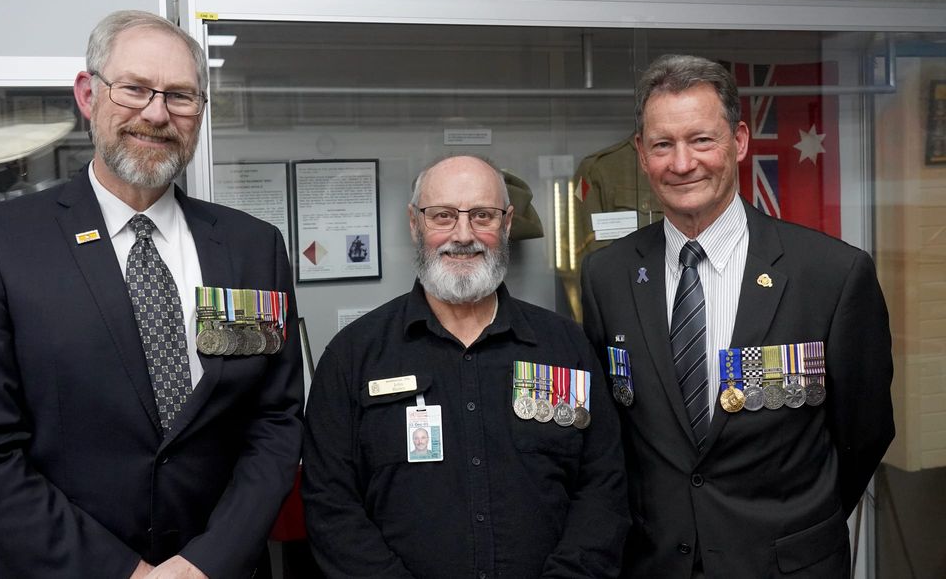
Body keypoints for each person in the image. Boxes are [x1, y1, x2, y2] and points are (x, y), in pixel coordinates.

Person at [0, 10, 304, 579]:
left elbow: (276, 422)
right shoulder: (0, 242)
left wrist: (206, 562)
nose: (157, 113)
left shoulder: (253, 246)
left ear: (200, 114)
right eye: (134, 88)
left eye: (181, 96)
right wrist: (123, 573)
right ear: (88, 94)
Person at [581, 54, 894, 578]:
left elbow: (863, 435)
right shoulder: (606, 276)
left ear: (740, 141)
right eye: (663, 144)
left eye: (702, 139)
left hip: (784, 563)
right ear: (641, 153)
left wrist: (796, 519)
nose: (682, 163)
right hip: (653, 563)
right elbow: (614, 436)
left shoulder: (832, 275)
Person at [302, 155, 630, 578]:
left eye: (482, 216)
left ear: (507, 224)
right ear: (414, 224)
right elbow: (330, 504)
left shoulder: (565, 348)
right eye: (442, 216)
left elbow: (603, 489)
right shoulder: (353, 356)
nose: (463, 235)